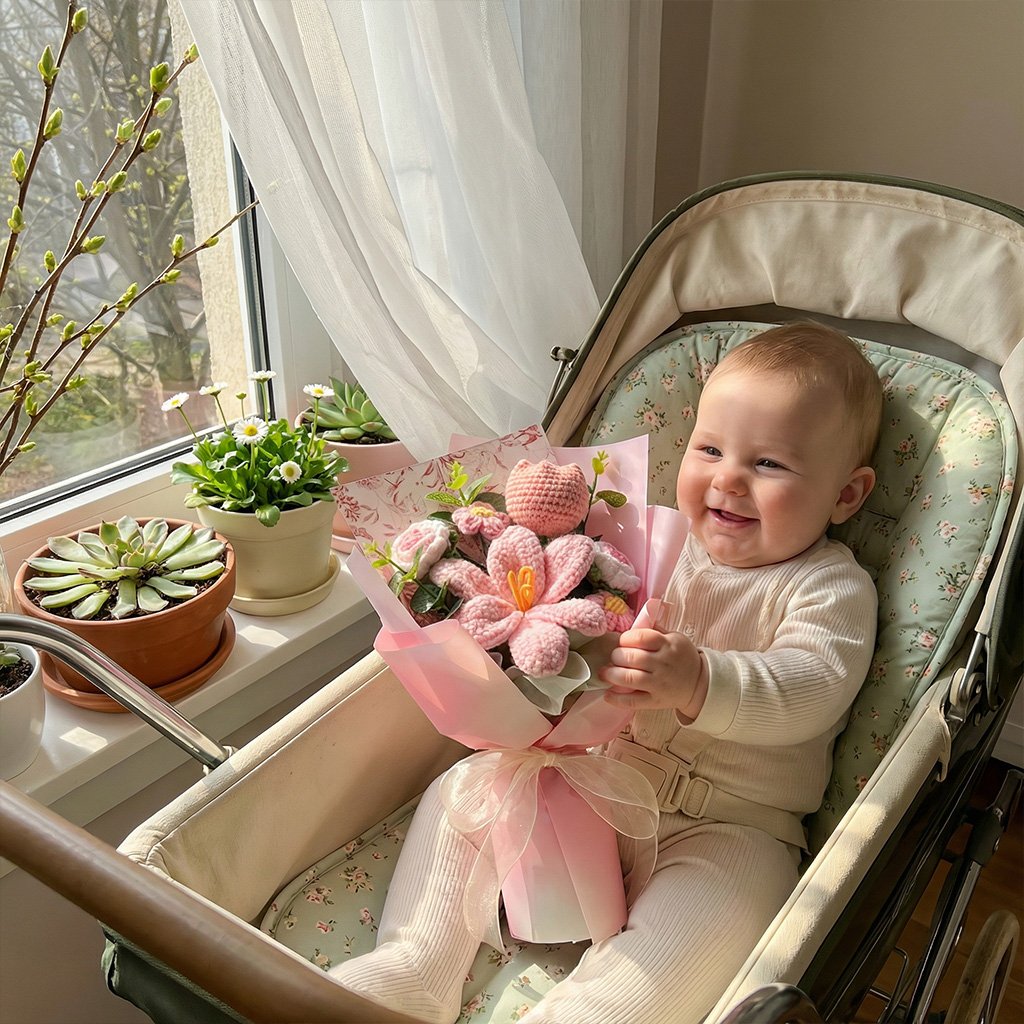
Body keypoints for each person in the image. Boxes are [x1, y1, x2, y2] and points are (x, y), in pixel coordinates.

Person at [332, 320, 884, 1024]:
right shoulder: (647, 544)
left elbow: (814, 686)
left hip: (729, 829)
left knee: (714, 927)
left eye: (769, 464)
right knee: (465, 790)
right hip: (595, 777)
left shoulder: (830, 589)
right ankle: (414, 966)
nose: (728, 479)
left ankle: (587, 1012)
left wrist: (701, 682)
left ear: (847, 495)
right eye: (710, 450)